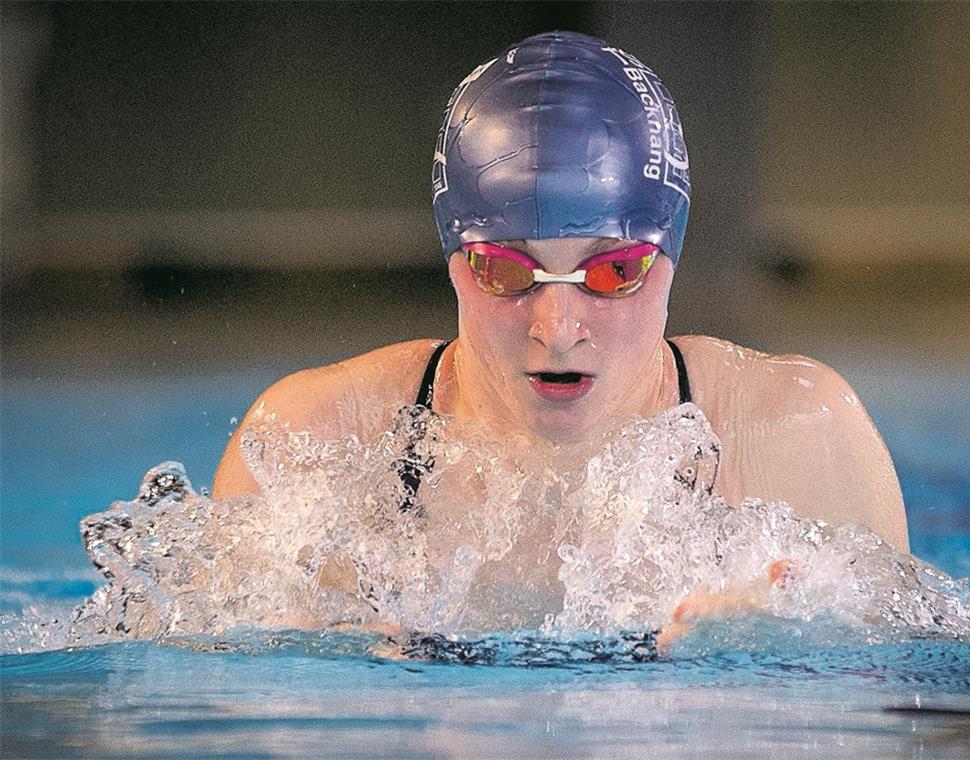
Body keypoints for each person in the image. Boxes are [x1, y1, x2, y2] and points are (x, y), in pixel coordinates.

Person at [212, 32, 908, 637]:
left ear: (671, 257)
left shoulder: (796, 437)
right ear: (453, 261)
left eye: (613, 272)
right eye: (505, 271)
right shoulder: (308, 446)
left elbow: (916, 683)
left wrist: (791, 668)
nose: (557, 329)